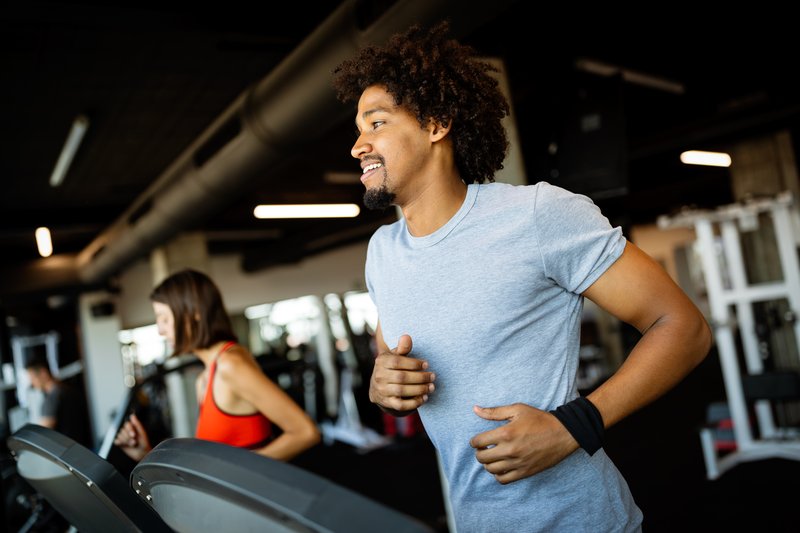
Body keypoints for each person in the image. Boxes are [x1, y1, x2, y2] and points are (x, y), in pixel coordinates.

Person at [331, 21, 712, 532]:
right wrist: (385, 384)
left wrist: (574, 427)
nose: (358, 145)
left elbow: (684, 328)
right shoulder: (383, 253)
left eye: (375, 123)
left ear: (436, 123)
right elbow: (393, 358)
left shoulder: (536, 215)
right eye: (357, 128)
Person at [114, 269, 320, 462]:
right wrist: (146, 454)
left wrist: (233, 474)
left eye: (165, 318)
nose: (160, 330)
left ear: (193, 313)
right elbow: (210, 463)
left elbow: (305, 432)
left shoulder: (231, 365)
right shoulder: (204, 379)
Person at [24, 352, 92, 447]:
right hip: (82, 447)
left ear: (43, 373)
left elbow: (42, 435)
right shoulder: (68, 390)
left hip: (66, 452)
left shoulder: (52, 398)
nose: (32, 383)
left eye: (32, 378)